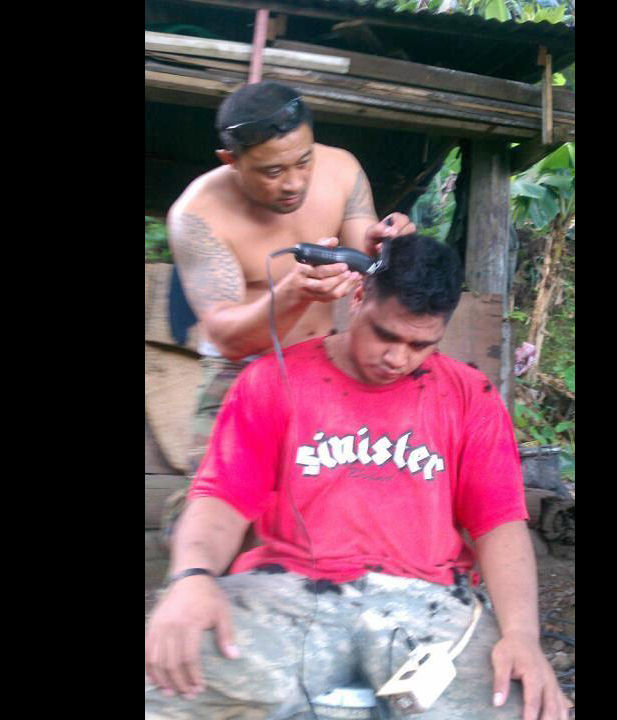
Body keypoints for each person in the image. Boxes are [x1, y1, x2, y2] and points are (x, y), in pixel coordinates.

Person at [145, 235, 570, 720]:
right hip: (285, 592)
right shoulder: (271, 380)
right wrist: (192, 577)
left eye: (420, 345)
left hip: (430, 604)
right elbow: (222, 499)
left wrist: (521, 635)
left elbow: (500, 524)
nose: (398, 358)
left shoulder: (471, 395)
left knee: (529, 707)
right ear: (359, 297)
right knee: (163, 684)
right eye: (385, 335)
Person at [159, 81, 415, 534]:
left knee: (334, 516)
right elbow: (226, 336)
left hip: (325, 367)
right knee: (210, 519)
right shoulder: (196, 216)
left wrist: (384, 245)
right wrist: (293, 295)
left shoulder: (343, 170)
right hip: (239, 372)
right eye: (272, 171)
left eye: (303, 161)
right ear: (231, 161)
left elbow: (366, 261)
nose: (294, 183)